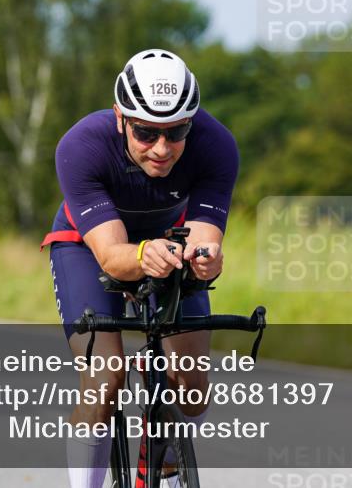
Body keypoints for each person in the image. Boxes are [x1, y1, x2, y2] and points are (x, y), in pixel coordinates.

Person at [41, 49, 239, 488]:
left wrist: (205, 261)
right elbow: (112, 256)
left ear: (193, 121)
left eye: (177, 131)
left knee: (190, 387)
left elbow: (205, 239)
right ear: (120, 118)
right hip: (87, 246)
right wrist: (142, 253)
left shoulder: (216, 145)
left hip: (171, 244)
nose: (162, 149)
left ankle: (164, 469)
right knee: (105, 377)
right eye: (146, 133)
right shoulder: (81, 146)